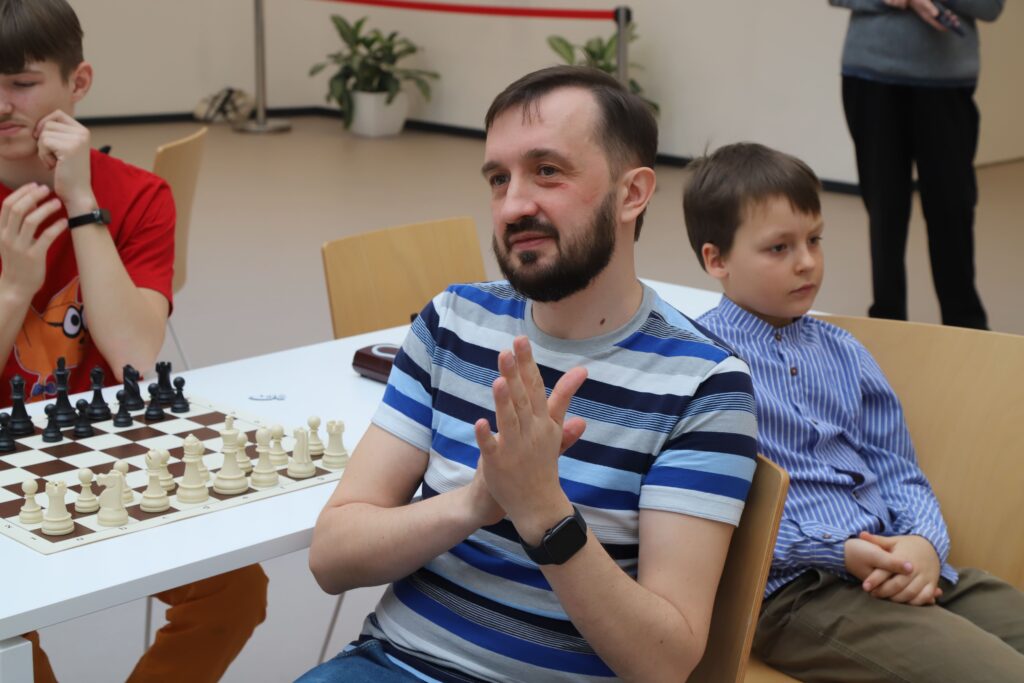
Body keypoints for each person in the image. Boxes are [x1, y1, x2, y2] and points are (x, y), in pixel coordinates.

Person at [301, 65, 759, 682]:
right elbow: (331, 558)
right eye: (499, 179)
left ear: (632, 194)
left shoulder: (705, 384)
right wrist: (474, 503)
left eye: (548, 171)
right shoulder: (453, 321)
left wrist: (545, 513)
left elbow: (664, 663)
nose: (514, 205)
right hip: (395, 664)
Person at [684, 141, 1024, 681]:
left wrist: (924, 542)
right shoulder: (701, 362)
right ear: (716, 260)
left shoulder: (845, 352)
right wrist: (839, 551)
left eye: (814, 240)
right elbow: (731, 517)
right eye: (779, 248)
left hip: (897, 561)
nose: (806, 262)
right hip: (800, 592)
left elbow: (897, 467)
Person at [0, 1, 267, 681]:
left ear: (78, 83)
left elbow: (133, 356)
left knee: (235, 591)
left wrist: (81, 203)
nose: (1, 105)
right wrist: (14, 290)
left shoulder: (140, 196)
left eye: (21, 83)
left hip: (101, 446)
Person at [829, 0, 1004, 330]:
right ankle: (887, 321)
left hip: (946, 83)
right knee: (884, 208)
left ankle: (965, 326)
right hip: (870, 75)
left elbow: (990, 7)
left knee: (952, 208)